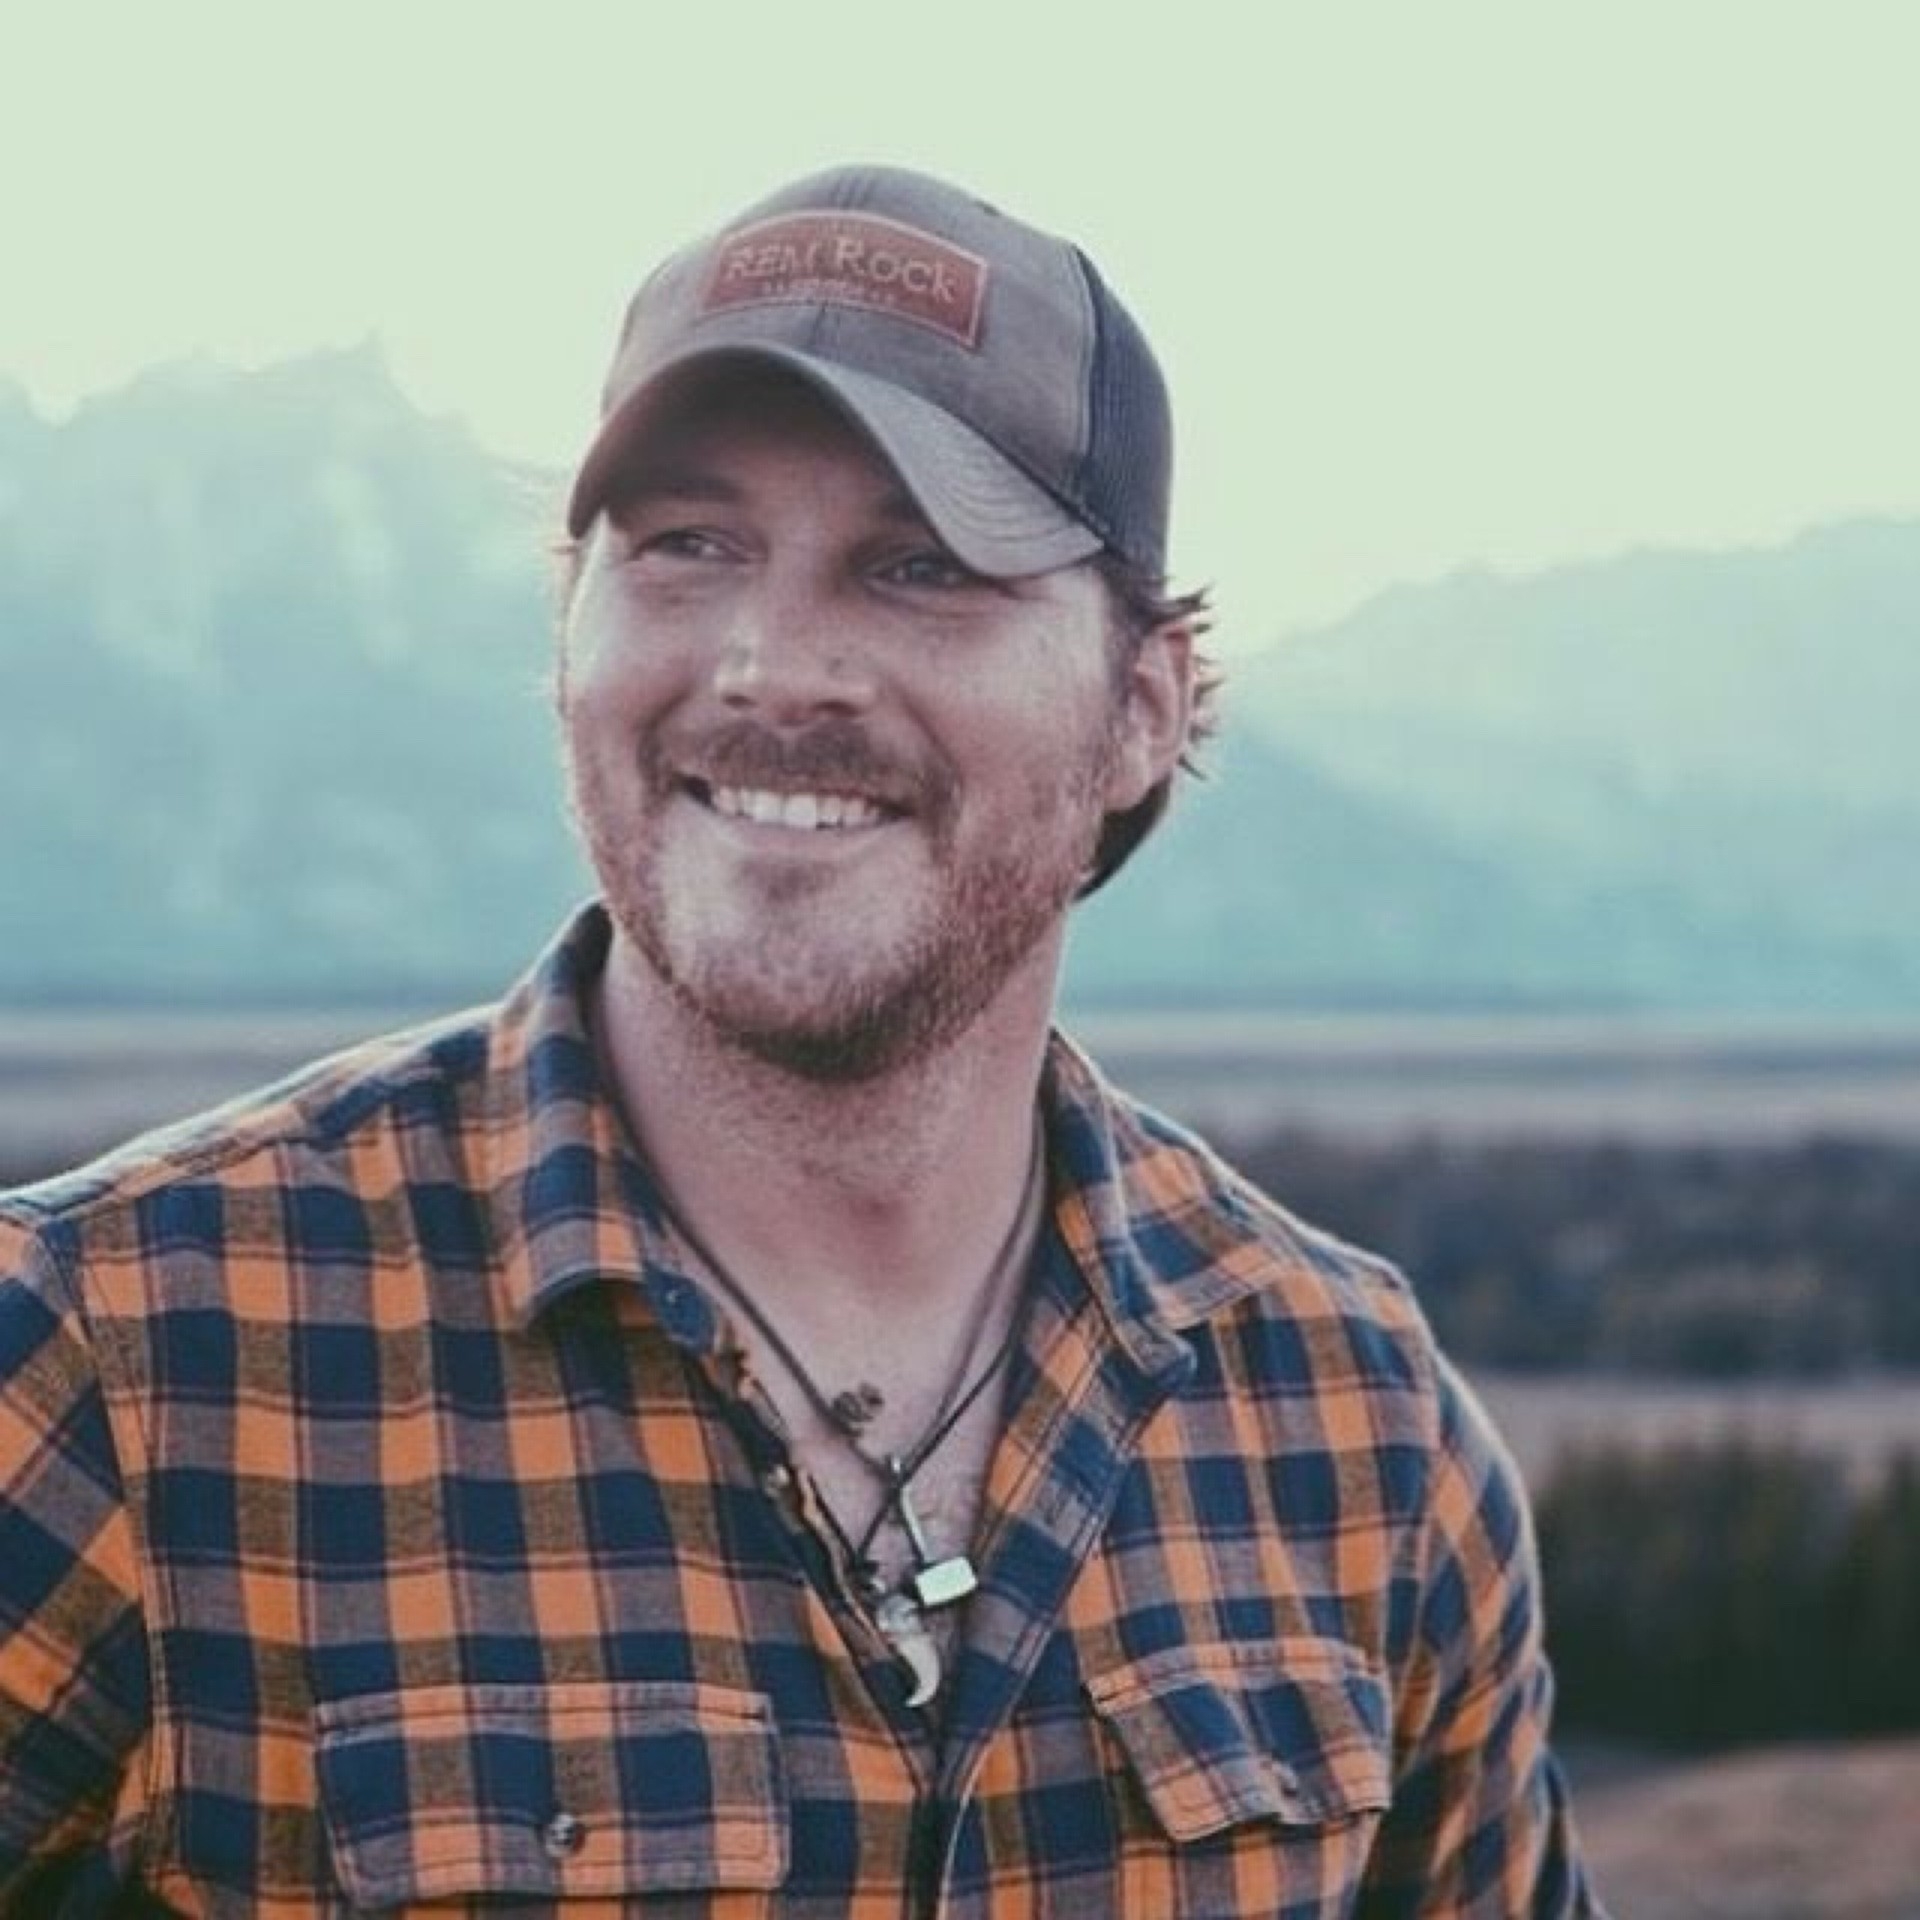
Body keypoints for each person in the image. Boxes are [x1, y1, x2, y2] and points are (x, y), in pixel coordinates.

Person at [0, 165, 1603, 1915]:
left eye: (922, 567)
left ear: (1142, 706)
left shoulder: (1353, 1417)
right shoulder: (115, 1359)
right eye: (687, 547)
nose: (772, 665)